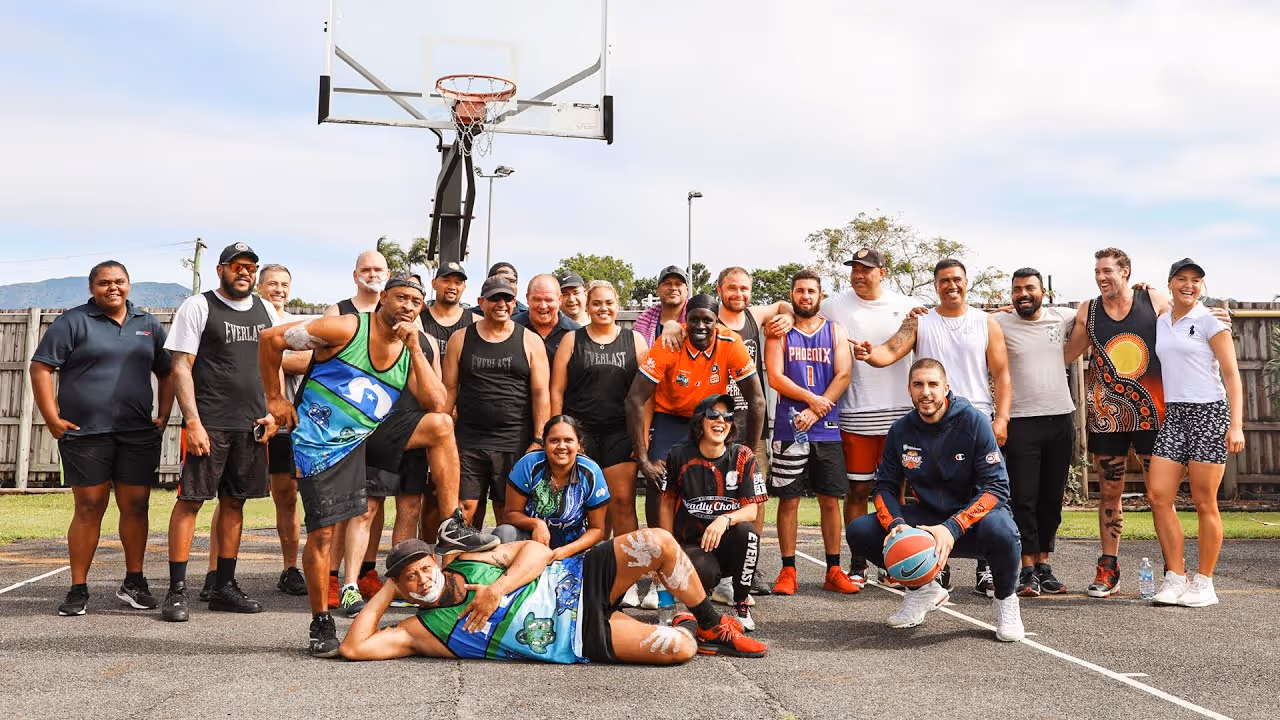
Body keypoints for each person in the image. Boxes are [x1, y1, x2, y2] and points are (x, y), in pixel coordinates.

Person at [259, 276, 498, 657]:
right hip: (325, 441)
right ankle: (320, 618)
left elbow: (438, 404)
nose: (407, 306)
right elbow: (271, 338)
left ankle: (453, 524)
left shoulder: (412, 346)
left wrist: (417, 350)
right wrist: (274, 398)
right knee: (322, 535)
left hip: (370, 432)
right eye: (401, 297)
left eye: (416, 302)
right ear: (383, 298)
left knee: (440, 426)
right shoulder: (347, 326)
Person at [338, 530, 767, 663]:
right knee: (679, 650)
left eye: (423, 569)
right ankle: (689, 626)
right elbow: (354, 647)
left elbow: (539, 551)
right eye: (409, 580)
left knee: (657, 543)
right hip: (577, 638)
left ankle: (713, 623)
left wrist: (497, 590)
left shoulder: (470, 560)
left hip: (580, 578)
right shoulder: (419, 630)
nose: (420, 580)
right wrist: (388, 588)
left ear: (437, 561)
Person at [856, 258, 1011, 596]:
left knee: (982, 498)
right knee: (931, 496)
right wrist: (870, 354)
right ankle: (935, 570)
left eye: (956, 279)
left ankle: (987, 570)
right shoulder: (921, 320)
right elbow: (890, 350)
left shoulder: (986, 322)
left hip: (976, 421)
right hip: (929, 422)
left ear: (966, 282)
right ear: (935, 284)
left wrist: (1001, 418)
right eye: (943, 280)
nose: (950, 285)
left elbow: (1001, 374)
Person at [31, 261, 174, 616]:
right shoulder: (73, 322)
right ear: (92, 287)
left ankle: (134, 583)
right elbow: (41, 367)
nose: (113, 288)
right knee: (90, 507)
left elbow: (169, 370)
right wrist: (51, 417)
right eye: (104, 283)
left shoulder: (148, 324)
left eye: (119, 282)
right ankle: (78, 588)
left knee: (136, 506)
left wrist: (165, 414)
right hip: (86, 433)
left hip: (137, 432)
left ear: (129, 284)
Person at [845, 359, 1025, 642]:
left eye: (933, 384)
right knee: (860, 531)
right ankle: (922, 589)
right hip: (927, 522)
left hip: (973, 523)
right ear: (909, 390)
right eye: (918, 384)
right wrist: (896, 524)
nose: (926, 392)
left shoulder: (973, 422)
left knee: (1003, 530)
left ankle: (1006, 602)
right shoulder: (901, 430)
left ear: (946, 388)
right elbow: (884, 487)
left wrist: (952, 527)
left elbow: (997, 487)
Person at [160, 243, 281, 622]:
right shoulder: (198, 306)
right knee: (191, 501)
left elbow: (273, 366)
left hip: (251, 425)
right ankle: (176, 591)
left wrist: (273, 412)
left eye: (250, 267)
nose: (244, 272)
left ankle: (224, 586)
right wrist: (193, 422)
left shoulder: (267, 311)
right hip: (209, 424)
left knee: (234, 503)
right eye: (237, 266)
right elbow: (181, 367)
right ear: (220, 269)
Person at [625, 294, 764, 548]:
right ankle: (661, 553)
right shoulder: (670, 341)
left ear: (717, 322)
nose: (700, 326)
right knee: (659, 477)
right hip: (672, 418)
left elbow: (757, 400)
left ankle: (737, 558)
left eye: (707, 320)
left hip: (709, 418)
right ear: (685, 322)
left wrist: (750, 456)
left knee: (734, 485)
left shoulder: (730, 341)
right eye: (694, 320)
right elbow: (634, 399)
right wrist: (643, 459)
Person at [819, 248, 922, 587]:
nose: (859, 275)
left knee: (897, 492)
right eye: (854, 269)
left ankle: (895, 558)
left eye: (866, 269)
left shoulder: (908, 306)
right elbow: (797, 313)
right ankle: (859, 563)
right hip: (855, 413)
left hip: (900, 416)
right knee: (858, 491)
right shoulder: (834, 305)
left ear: (883, 272)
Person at [1147, 259, 1245, 608]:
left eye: (1196, 281)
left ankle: (1205, 583)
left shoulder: (1210, 321)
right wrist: (1149, 288)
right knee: (1159, 496)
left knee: (1204, 501)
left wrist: (1236, 424)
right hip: (1174, 415)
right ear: (1171, 283)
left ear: (1202, 286)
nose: (1189, 285)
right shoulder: (1162, 320)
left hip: (1209, 413)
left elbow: (1233, 376)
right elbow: (1152, 295)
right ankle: (1175, 576)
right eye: (1182, 279)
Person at [765, 270, 858, 595]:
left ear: (820, 296)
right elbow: (775, 377)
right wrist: (811, 401)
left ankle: (834, 568)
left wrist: (817, 408)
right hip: (789, 429)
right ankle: (788, 570)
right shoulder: (779, 331)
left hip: (827, 430)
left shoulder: (835, 331)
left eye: (811, 291)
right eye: (800, 291)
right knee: (788, 501)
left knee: (830, 500)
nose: (805, 296)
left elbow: (843, 373)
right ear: (792, 295)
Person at [992, 268, 1077, 597]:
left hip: (1060, 419)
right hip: (1021, 421)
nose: (1023, 294)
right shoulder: (999, 322)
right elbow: (966, 318)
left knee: (1051, 499)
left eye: (1029, 288)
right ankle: (1026, 569)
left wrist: (1146, 292)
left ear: (1044, 292)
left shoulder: (1061, 317)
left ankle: (1044, 565)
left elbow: (1093, 311)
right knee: (1023, 497)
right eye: (1017, 289)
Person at [444, 275, 551, 529]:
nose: (501, 303)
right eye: (494, 298)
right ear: (481, 302)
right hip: (469, 439)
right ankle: (463, 566)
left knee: (508, 509)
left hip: (514, 439)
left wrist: (538, 439)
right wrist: (442, 433)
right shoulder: (460, 339)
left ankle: (507, 565)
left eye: (507, 298)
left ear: (515, 303)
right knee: (466, 507)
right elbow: (449, 390)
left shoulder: (531, 341)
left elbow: (541, 394)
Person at [549, 281, 648, 543]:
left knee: (623, 500)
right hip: (580, 433)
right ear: (588, 307)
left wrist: (643, 438)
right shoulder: (572, 339)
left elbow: (647, 396)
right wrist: (557, 430)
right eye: (597, 303)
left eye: (609, 303)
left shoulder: (634, 340)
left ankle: (627, 568)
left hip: (620, 431)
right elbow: (556, 390)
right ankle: (591, 564)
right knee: (590, 504)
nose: (603, 308)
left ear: (617, 305)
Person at [659, 394, 768, 631]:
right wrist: (668, 545)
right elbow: (667, 502)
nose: (721, 421)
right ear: (700, 421)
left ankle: (741, 603)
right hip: (694, 544)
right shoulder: (679, 455)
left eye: (727, 417)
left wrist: (724, 519)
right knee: (703, 572)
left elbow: (751, 509)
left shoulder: (743, 456)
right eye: (713, 415)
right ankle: (699, 603)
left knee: (748, 533)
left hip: (727, 542)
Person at [493, 416, 611, 562]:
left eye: (568, 440)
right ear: (544, 443)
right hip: (530, 540)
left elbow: (597, 530)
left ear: (579, 444)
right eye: (554, 440)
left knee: (606, 553)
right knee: (504, 533)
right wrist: (537, 524)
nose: (561, 446)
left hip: (573, 543)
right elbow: (510, 513)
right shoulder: (529, 464)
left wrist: (567, 550)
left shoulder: (591, 472)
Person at [513, 274, 581, 358]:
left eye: (549, 300)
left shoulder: (576, 332)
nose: (543, 306)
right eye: (537, 299)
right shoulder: (512, 328)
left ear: (560, 299)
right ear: (527, 298)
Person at [632, 265, 689, 344]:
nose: (673, 288)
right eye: (667, 283)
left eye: (678, 284)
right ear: (658, 290)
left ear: (687, 290)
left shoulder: (698, 318)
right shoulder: (643, 323)